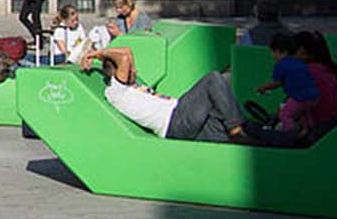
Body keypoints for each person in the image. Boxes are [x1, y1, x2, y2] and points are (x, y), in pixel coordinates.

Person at [100, 66, 258, 144]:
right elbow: (124, 55)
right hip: (174, 120)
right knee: (213, 79)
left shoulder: (133, 86)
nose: (135, 69)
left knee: (250, 133)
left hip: (181, 114)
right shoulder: (116, 92)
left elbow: (127, 57)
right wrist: (100, 54)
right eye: (131, 69)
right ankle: (235, 127)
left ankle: (258, 134)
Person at [254, 30, 337, 135]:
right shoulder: (325, 70)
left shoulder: (306, 71)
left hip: (317, 132)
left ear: (301, 51)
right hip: (327, 129)